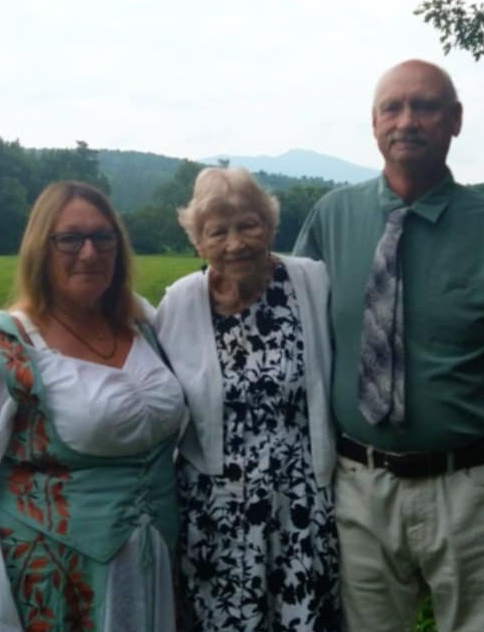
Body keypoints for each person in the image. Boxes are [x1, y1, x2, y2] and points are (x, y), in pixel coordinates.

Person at [293, 59, 484, 632]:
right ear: (373, 125)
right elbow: (293, 336)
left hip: (473, 493)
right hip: (359, 489)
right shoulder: (331, 218)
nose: (407, 121)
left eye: (424, 106)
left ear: (455, 121)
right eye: (391, 108)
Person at [0, 181, 185, 632]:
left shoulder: (143, 324)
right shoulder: (3, 346)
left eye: (102, 237)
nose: (89, 252)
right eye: (69, 238)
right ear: (40, 247)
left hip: (157, 562)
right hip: (60, 580)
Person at [154, 167, 341, 632]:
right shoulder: (179, 303)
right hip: (215, 516)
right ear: (197, 241)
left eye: (248, 225)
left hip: (302, 506)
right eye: (218, 231)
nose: (235, 243)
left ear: (271, 227)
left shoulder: (312, 283)